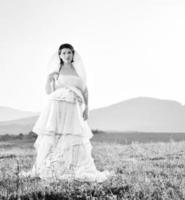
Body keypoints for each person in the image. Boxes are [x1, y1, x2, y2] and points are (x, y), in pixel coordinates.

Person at [19, 43, 116, 183]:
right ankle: (50, 166)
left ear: (73, 54)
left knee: (73, 135)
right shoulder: (56, 71)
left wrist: (86, 108)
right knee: (55, 136)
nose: (66, 55)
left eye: (69, 53)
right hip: (57, 107)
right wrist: (48, 79)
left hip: (73, 108)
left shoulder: (78, 71)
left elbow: (85, 91)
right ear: (59, 55)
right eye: (63, 53)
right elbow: (48, 92)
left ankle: (73, 166)